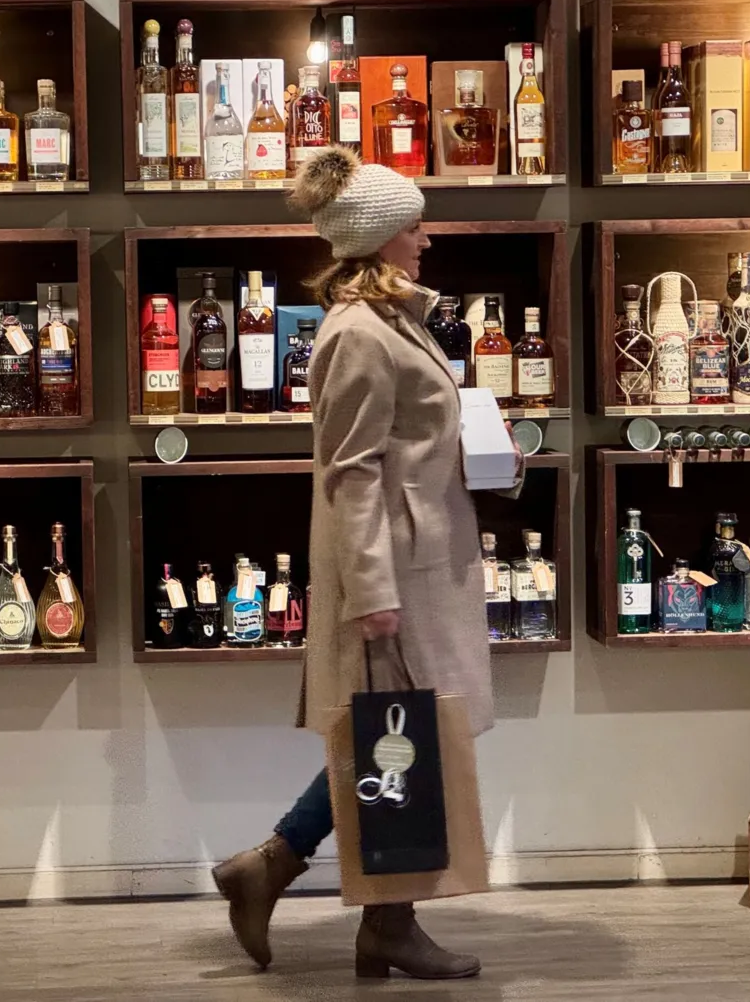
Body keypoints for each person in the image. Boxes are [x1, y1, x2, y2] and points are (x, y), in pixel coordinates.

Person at [212, 147, 515, 981]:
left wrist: (489, 456)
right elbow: (351, 472)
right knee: (401, 743)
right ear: (380, 237)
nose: (427, 238)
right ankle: (378, 919)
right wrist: (373, 593)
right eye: (414, 226)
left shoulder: (394, 321)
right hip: (398, 575)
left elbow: (413, 445)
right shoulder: (357, 335)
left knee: (402, 741)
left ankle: (288, 875)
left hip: (422, 561)